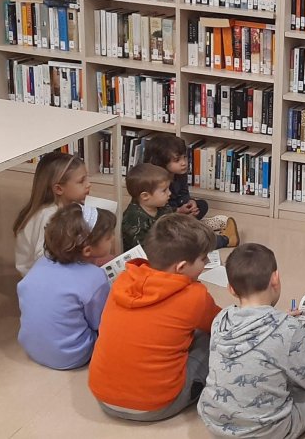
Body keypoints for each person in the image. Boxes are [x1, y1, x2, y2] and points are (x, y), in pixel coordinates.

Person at [88, 214, 221, 421]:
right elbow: (221, 325)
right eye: (203, 259)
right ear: (182, 267)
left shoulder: (124, 280)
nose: (205, 263)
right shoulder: (195, 296)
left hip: (103, 397)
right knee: (208, 339)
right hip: (156, 405)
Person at [198, 243, 305, 438]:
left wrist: (278, 319)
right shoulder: (288, 328)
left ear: (231, 290)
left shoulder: (221, 318)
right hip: (266, 432)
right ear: (275, 279)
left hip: (214, 423)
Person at [17, 204, 116, 370]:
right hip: (72, 355)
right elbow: (100, 322)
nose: (113, 238)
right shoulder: (94, 278)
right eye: (109, 237)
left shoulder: (41, 263)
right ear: (87, 250)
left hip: (31, 347)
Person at [143, 134, 239, 248]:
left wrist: (190, 203)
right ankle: (225, 239)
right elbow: (160, 212)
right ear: (162, 162)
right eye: (177, 160)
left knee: (201, 205)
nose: (184, 162)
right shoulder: (154, 183)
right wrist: (177, 211)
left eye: (185, 157)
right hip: (167, 219)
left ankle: (191, 224)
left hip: (175, 211)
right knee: (188, 240)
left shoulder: (180, 174)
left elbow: (183, 193)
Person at [14, 152, 91, 276]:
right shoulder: (49, 216)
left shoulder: (61, 210)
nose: (88, 184)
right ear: (59, 189)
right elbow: (44, 260)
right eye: (81, 181)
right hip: (42, 280)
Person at [121, 163, 172, 249]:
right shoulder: (134, 218)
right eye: (164, 190)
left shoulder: (161, 205)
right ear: (145, 196)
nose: (169, 193)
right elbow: (142, 248)